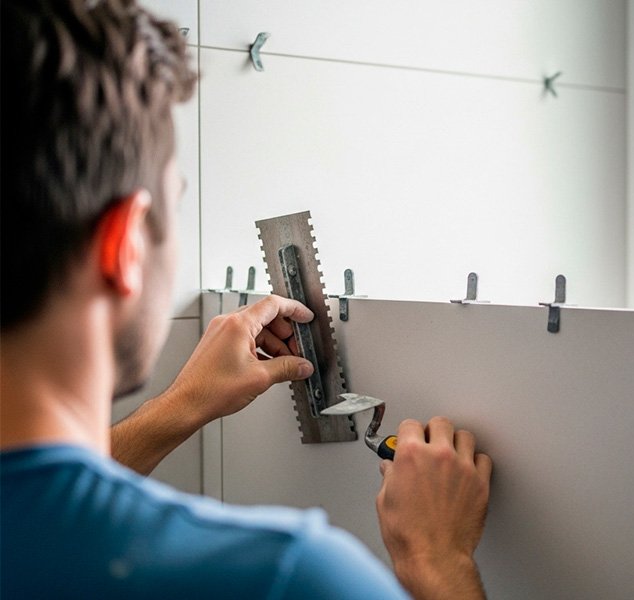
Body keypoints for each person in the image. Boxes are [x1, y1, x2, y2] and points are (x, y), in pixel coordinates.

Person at [0, 1, 493, 598]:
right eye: (174, 207)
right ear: (124, 245)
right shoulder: (286, 576)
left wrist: (183, 405)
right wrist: (438, 563)